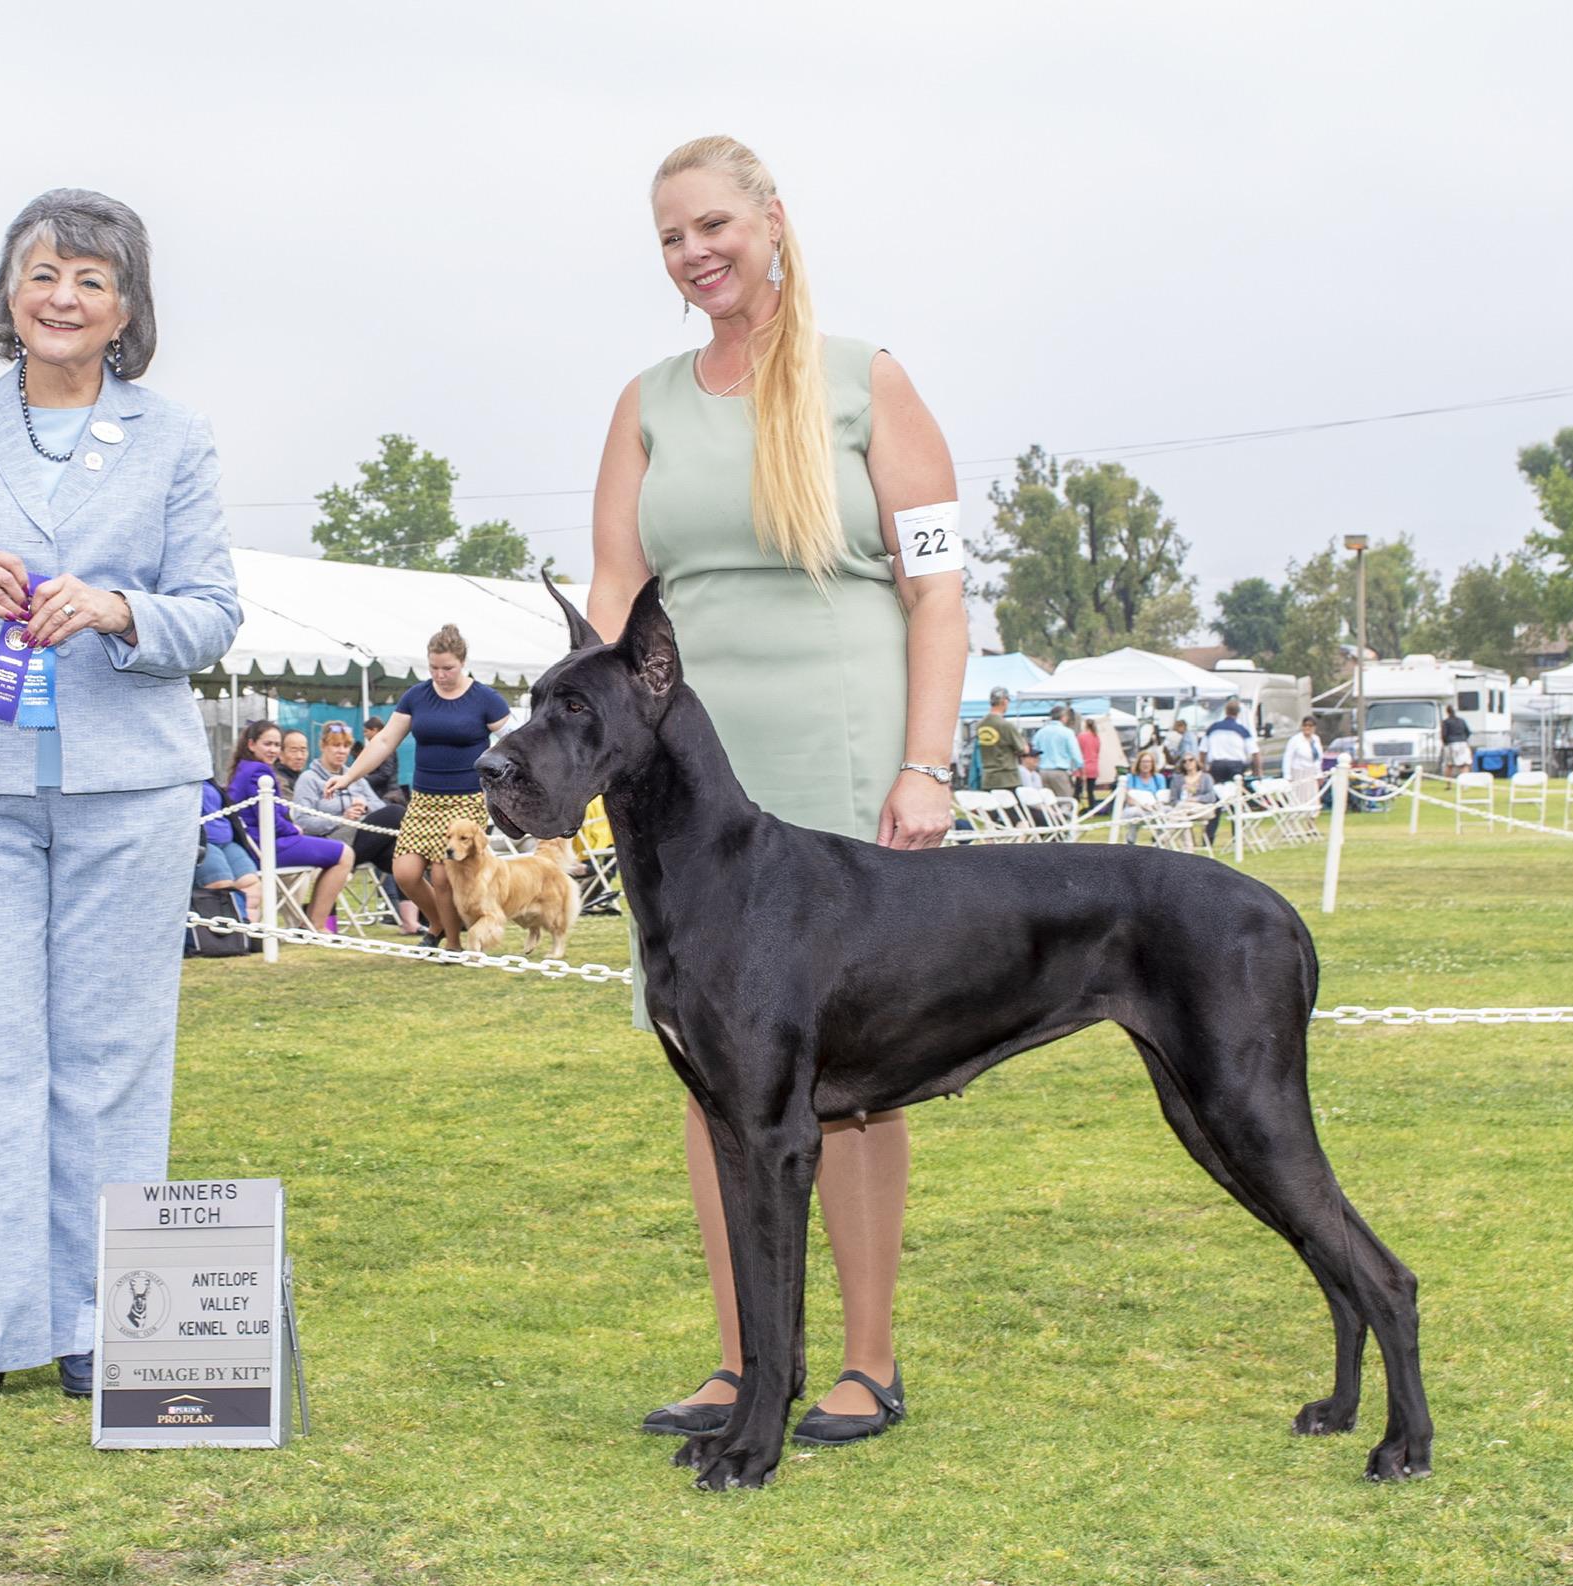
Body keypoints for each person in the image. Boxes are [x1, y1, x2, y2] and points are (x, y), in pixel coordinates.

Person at [588, 135, 968, 1447]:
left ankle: (866, 1360)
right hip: (686, 775)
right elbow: (613, 594)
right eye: (670, 238)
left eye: (712, 225)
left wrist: (925, 762)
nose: (694, 253)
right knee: (714, 1070)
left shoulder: (869, 381)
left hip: (839, 750)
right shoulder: (644, 403)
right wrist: (592, 750)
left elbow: (935, 589)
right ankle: (747, 1360)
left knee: (848, 1077)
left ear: (771, 220)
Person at [0, 188, 240, 1415]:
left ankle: (98, 1318)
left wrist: (121, 610)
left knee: (112, 1053)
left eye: (90, 279)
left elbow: (213, 613)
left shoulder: (177, 438)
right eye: (43, 273)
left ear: (126, 309)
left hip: (131, 786)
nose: (63, 296)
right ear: (8, 292)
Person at [324, 626, 510, 951]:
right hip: (424, 800)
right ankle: (438, 922)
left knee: (442, 876)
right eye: (434, 667)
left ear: (462, 663)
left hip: (466, 801)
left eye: (448, 668)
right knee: (405, 873)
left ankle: (452, 944)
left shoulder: (485, 699)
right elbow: (384, 740)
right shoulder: (417, 696)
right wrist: (349, 776)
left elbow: (514, 740)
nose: (440, 675)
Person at [224, 721, 353, 929]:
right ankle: (316, 925)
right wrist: (294, 829)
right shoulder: (259, 772)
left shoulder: (243, 768)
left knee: (339, 853)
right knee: (345, 855)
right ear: (251, 744)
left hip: (255, 846)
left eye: (277, 745)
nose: (273, 750)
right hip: (265, 848)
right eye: (268, 744)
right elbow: (268, 820)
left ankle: (311, 923)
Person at [294, 718, 417, 933]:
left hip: (362, 840)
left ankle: (412, 922)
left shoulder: (355, 776)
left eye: (345, 746)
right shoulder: (309, 779)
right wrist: (342, 817)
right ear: (323, 746)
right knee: (396, 813)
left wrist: (364, 807)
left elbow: (378, 807)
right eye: (335, 745)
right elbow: (303, 821)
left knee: (402, 855)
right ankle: (319, 917)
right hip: (332, 841)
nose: (341, 751)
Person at [196, 777, 261, 923]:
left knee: (251, 884)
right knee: (220, 886)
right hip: (200, 842)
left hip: (226, 839)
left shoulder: (208, 779)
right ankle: (227, 934)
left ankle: (248, 932)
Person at [975, 687, 1029, 792]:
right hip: (1007, 779)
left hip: (988, 779)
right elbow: (1023, 750)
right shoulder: (1006, 725)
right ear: (1004, 701)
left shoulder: (980, 725)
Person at [1031, 706, 1083, 807]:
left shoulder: (1040, 732)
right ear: (1064, 717)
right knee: (1066, 802)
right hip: (1060, 772)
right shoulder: (1067, 732)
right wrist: (1081, 769)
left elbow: (1034, 749)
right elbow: (1075, 753)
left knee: (1047, 804)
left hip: (1042, 771)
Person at [1201, 699, 1258, 788]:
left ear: (1226, 711)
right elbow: (1255, 752)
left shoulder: (1213, 728)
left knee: (1217, 790)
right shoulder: (1242, 730)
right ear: (1238, 713)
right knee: (1236, 790)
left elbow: (1203, 751)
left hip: (1217, 766)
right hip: (1236, 766)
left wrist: (1203, 768)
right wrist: (1257, 772)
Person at [1169, 752, 1224, 843]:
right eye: (1184, 761)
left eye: (1191, 760)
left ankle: (1164, 836)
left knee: (1181, 808)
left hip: (1204, 809)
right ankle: (1188, 847)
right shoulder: (1177, 779)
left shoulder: (1206, 777)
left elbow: (1211, 797)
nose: (1188, 763)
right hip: (1183, 811)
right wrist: (1184, 802)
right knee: (1182, 816)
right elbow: (1173, 800)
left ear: (1196, 762)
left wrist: (1195, 799)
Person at [1119, 748, 1168, 843]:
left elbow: (1162, 797)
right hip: (1135, 808)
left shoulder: (1159, 778)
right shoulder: (1131, 777)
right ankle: (1131, 839)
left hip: (1154, 809)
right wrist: (1142, 806)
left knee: (1166, 810)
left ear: (1153, 764)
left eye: (1149, 762)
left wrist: (1154, 805)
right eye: (1143, 762)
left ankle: (1159, 840)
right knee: (1138, 813)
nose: (1146, 764)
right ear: (1138, 763)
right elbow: (1129, 799)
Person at [357, 716, 405, 806]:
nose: (364, 734)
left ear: (375, 730)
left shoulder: (385, 748)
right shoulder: (378, 747)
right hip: (382, 794)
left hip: (389, 796)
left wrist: (364, 780)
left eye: (366, 731)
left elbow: (385, 773)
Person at [1282, 715, 1325, 811]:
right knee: (1297, 800)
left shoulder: (1316, 739)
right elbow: (1287, 758)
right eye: (1305, 725)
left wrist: (1319, 774)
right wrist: (1287, 776)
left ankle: (1311, 819)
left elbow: (1318, 759)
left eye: (1310, 726)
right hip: (1298, 774)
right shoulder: (1295, 740)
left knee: (1313, 800)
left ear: (1314, 727)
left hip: (1312, 774)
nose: (1307, 728)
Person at [1075, 714, 1102, 808]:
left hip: (1083, 766)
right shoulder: (1096, 737)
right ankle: (1092, 808)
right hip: (1093, 766)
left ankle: (1075, 807)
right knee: (1091, 790)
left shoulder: (1081, 736)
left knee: (1078, 790)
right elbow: (1097, 751)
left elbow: (1077, 750)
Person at [1441, 703, 1472, 778]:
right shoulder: (1462, 721)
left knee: (1449, 764)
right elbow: (1468, 732)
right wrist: (1464, 739)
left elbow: (1444, 734)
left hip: (1451, 744)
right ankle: (1465, 781)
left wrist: (1445, 743)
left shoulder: (1446, 722)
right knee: (1464, 764)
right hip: (1463, 743)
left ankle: (1448, 782)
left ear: (1447, 712)